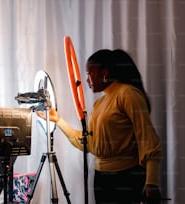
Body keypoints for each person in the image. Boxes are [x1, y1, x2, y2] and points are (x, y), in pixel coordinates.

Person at [36, 49, 162, 204]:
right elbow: (90, 143)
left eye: (90, 74)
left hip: (126, 178)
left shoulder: (128, 94)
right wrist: (59, 120)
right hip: (101, 179)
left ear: (105, 73)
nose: (87, 80)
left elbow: (148, 139)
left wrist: (151, 182)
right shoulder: (99, 104)